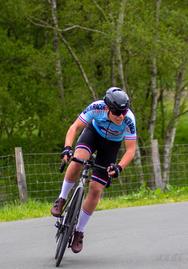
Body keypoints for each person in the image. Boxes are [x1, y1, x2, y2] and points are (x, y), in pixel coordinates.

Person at [51, 87, 137, 253]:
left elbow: (130, 150)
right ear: (106, 109)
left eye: (123, 112)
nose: (120, 116)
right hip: (93, 134)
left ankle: (79, 231)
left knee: (96, 189)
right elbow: (74, 128)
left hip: (111, 145)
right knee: (77, 161)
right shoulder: (96, 107)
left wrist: (119, 167)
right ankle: (62, 198)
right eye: (116, 112)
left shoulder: (129, 120)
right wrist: (67, 148)